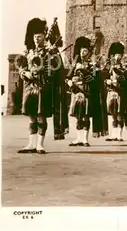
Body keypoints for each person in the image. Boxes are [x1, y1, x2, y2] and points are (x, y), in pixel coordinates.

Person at [17, 18, 67, 154]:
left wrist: (49, 62)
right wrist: (25, 73)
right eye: (34, 37)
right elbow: (22, 67)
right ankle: (31, 144)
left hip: (43, 87)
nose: (36, 39)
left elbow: (56, 69)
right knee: (32, 116)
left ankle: (40, 144)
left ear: (44, 37)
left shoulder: (51, 51)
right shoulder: (29, 52)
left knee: (41, 116)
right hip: (30, 87)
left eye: (39, 37)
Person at [66, 36, 108, 147]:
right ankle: (78, 138)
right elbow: (68, 77)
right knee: (79, 116)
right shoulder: (75, 64)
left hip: (87, 93)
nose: (82, 53)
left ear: (89, 52)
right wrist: (69, 82)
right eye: (81, 51)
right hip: (76, 93)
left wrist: (93, 68)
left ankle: (84, 138)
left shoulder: (93, 65)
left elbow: (95, 78)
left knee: (85, 115)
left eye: (84, 51)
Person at [104, 42, 127, 142]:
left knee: (120, 114)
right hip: (111, 92)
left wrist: (119, 81)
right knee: (113, 115)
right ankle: (113, 134)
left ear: (121, 56)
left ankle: (119, 134)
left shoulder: (125, 67)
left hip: (121, 93)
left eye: (119, 55)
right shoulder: (109, 67)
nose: (117, 57)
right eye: (115, 55)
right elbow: (104, 78)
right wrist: (107, 81)